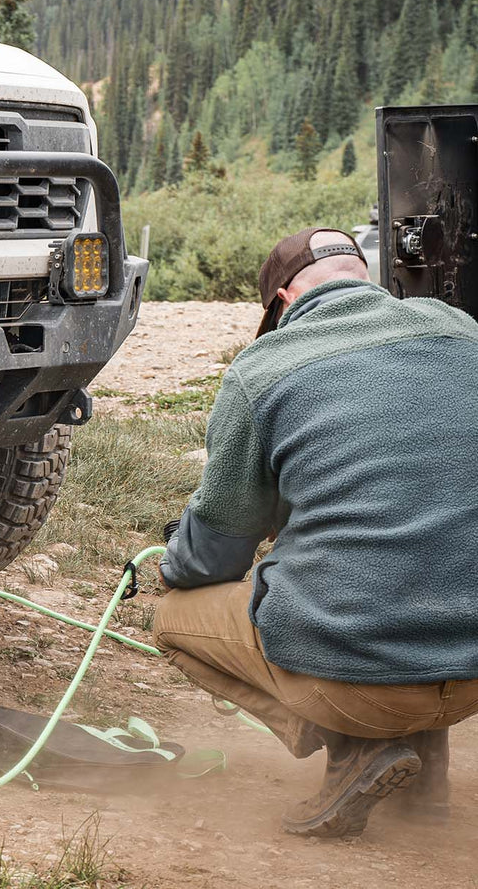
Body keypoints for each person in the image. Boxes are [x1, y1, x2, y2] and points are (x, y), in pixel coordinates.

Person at [152, 227, 478, 838]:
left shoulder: (265, 368)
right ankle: (424, 779)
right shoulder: (462, 331)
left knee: (174, 620)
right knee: (426, 554)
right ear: (368, 281)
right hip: (471, 671)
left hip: (365, 682)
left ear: (281, 301)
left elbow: (211, 559)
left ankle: (353, 748)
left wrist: (172, 564)